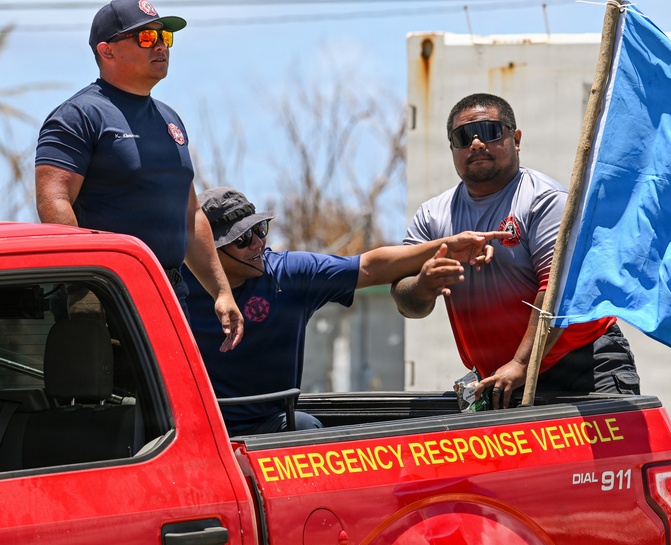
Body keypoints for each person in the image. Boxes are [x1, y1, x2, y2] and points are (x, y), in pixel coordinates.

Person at [183, 186, 511, 435]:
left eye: (260, 230)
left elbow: (370, 267)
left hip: (271, 425)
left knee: (308, 430)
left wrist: (449, 246)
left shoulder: (287, 275)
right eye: (243, 239)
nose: (258, 243)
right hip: (193, 430)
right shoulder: (172, 285)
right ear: (207, 248)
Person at [391, 93, 641, 409]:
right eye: (463, 136)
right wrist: (423, 286)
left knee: (609, 460)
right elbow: (405, 302)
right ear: (453, 148)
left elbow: (554, 292)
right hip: (502, 380)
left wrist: (522, 363)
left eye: (491, 131)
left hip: (582, 365)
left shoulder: (544, 200)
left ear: (516, 138)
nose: (477, 144)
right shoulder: (432, 217)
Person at [34, 0, 243, 351]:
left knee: (172, 406)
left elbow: (190, 213)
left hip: (170, 295)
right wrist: (84, 285)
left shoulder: (170, 119)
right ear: (107, 51)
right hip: (109, 296)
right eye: (146, 37)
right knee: (114, 405)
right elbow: (54, 201)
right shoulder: (78, 115)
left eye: (164, 37)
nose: (160, 44)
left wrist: (221, 291)